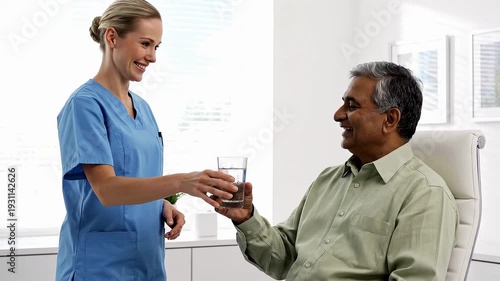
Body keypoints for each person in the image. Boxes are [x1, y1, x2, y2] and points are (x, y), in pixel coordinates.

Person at [214, 61, 459, 280]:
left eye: (351, 106)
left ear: (390, 119)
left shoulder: (425, 193)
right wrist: (247, 219)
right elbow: (283, 260)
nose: (337, 115)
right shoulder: (327, 180)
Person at [55, 1, 237, 280]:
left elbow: (135, 177)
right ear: (112, 37)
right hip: (100, 267)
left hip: (146, 262)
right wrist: (182, 182)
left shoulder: (143, 108)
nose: (152, 57)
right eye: (145, 43)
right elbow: (107, 189)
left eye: (156, 47)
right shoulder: (85, 105)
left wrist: (160, 204)